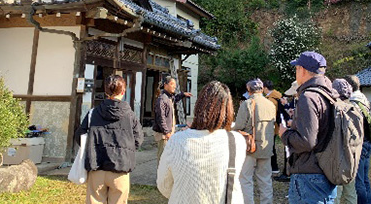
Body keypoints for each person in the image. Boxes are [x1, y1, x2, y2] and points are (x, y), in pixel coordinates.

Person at [157, 81, 247, 203]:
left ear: (198, 106)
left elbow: (164, 185)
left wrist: (185, 193)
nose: (174, 86)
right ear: (229, 109)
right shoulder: (237, 141)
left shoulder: (177, 141)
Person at [279, 51, 337, 204]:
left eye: (296, 68)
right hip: (326, 169)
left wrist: (285, 134)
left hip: (309, 174)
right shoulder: (329, 93)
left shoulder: (308, 97)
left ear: (302, 70)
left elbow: (306, 141)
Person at [75, 75, 143, 204]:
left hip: (97, 166)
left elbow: (80, 135)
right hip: (121, 167)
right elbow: (138, 139)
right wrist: (126, 150)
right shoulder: (130, 115)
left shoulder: (93, 113)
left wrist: (91, 147)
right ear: (123, 92)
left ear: (106, 91)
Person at [234, 79, 276, 204]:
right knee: (265, 180)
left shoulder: (247, 104)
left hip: (250, 146)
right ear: (262, 89)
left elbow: (239, 126)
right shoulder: (270, 104)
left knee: (245, 179)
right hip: (267, 146)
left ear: (249, 90)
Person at [345, 75, 371, 204]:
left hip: (360, 144)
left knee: (358, 181)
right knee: (365, 179)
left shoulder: (353, 102)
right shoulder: (363, 98)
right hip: (368, 141)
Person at [153, 75, 192, 163]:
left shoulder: (169, 97)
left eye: (175, 84)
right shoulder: (162, 99)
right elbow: (160, 117)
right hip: (163, 134)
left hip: (168, 133)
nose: (174, 86)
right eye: (172, 84)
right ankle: (161, 176)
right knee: (163, 157)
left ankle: (165, 174)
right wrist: (166, 132)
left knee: (168, 156)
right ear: (165, 85)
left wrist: (183, 94)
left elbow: (175, 99)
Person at [332, 79, 357, 204]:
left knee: (336, 193)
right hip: (353, 154)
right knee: (351, 193)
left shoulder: (334, 109)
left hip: (337, 156)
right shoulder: (355, 108)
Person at [263, 79, 283, 175]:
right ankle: (273, 166)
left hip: (272, 126)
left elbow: (270, 114)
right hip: (277, 126)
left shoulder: (270, 100)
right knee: (272, 146)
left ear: (265, 88)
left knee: (271, 147)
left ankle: (274, 167)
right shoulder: (278, 96)